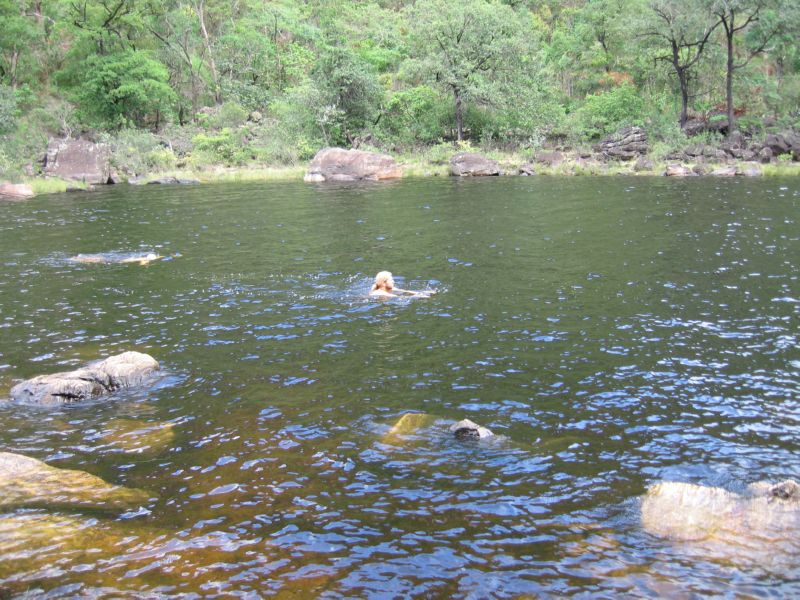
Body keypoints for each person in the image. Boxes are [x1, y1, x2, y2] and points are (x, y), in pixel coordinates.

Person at [370, 271, 434, 298]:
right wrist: (419, 296)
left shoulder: (390, 288)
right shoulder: (380, 293)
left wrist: (422, 293)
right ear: (384, 283)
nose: (393, 281)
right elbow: (401, 298)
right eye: (391, 280)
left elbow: (404, 292)